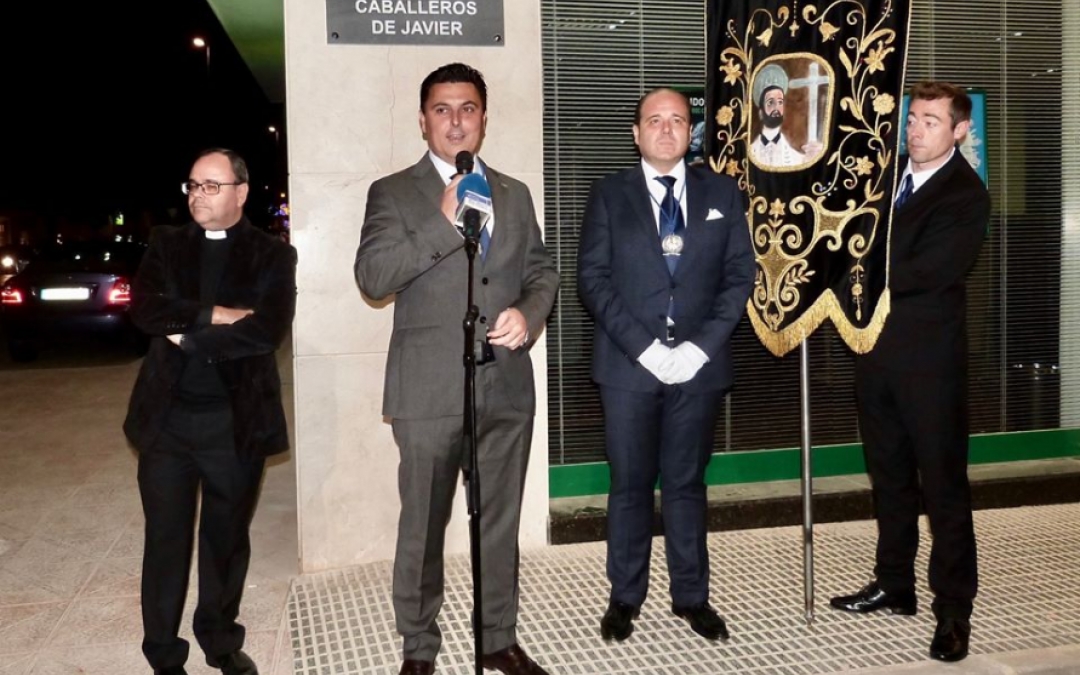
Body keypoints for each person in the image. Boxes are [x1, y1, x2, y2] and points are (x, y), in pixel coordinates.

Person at [354, 63, 558, 675]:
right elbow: (374, 278)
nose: (455, 121)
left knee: (498, 522)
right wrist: (443, 220)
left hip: (505, 384)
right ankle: (419, 647)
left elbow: (541, 272)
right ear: (423, 121)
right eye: (442, 110)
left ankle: (497, 638)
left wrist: (528, 314)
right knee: (423, 523)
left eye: (467, 109)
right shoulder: (393, 192)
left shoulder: (514, 193)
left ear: (484, 119)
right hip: (426, 389)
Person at [577, 88, 754, 644]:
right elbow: (593, 280)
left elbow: (739, 277)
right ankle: (625, 597)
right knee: (629, 485)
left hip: (699, 368)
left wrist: (699, 348)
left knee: (686, 484)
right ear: (636, 133)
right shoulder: (609, 194)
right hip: (629, 368)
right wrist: (647, 350)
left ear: (690, 131)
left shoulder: (723, 192)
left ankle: (692, 596)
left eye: (678, 119)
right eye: (654, 120)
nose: (666, 129)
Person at [829, 81, 991, 663]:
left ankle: (954, 610)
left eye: (931, 121)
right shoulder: (886, 177)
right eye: (913, 119)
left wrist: (850, 262)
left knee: (943, 488)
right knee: (889, 477)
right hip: (874, 355)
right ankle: (894, 584)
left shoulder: (966, 195)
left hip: (931, 365)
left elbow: (926, 271)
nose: (916, 130)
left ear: (960, 130)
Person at [124, 148, 298, 675]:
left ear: (241, 192)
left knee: (226, 538)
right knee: (166, 538)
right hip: (167, 422)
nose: (198, 195)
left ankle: (220, 640)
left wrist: (189, 337)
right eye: (193, 185)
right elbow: (145, 308)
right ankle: (163, 653)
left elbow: (266, 329)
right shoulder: (166, 243)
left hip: (235, 422)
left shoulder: (273, 254)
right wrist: (216, 314)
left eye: (211, 186)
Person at [749, 85, 820, 168]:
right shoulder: (750, 151)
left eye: (780, 102)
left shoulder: (797, 159)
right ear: (761, 113)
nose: (776, 108)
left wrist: (812, 158)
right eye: (771, 102)